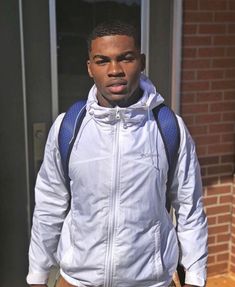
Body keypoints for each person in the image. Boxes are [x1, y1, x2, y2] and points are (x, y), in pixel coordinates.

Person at [26, 21, 208, 287]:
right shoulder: (69, 127)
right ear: (89, 67)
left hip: (150, 282)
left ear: (141, 61)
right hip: (78, 281)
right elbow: (49, 205)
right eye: (102, 61)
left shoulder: (168, 127)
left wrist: (194, 276)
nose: (115, 70)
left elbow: (190, 208)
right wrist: (37, 275)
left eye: (126, 58)